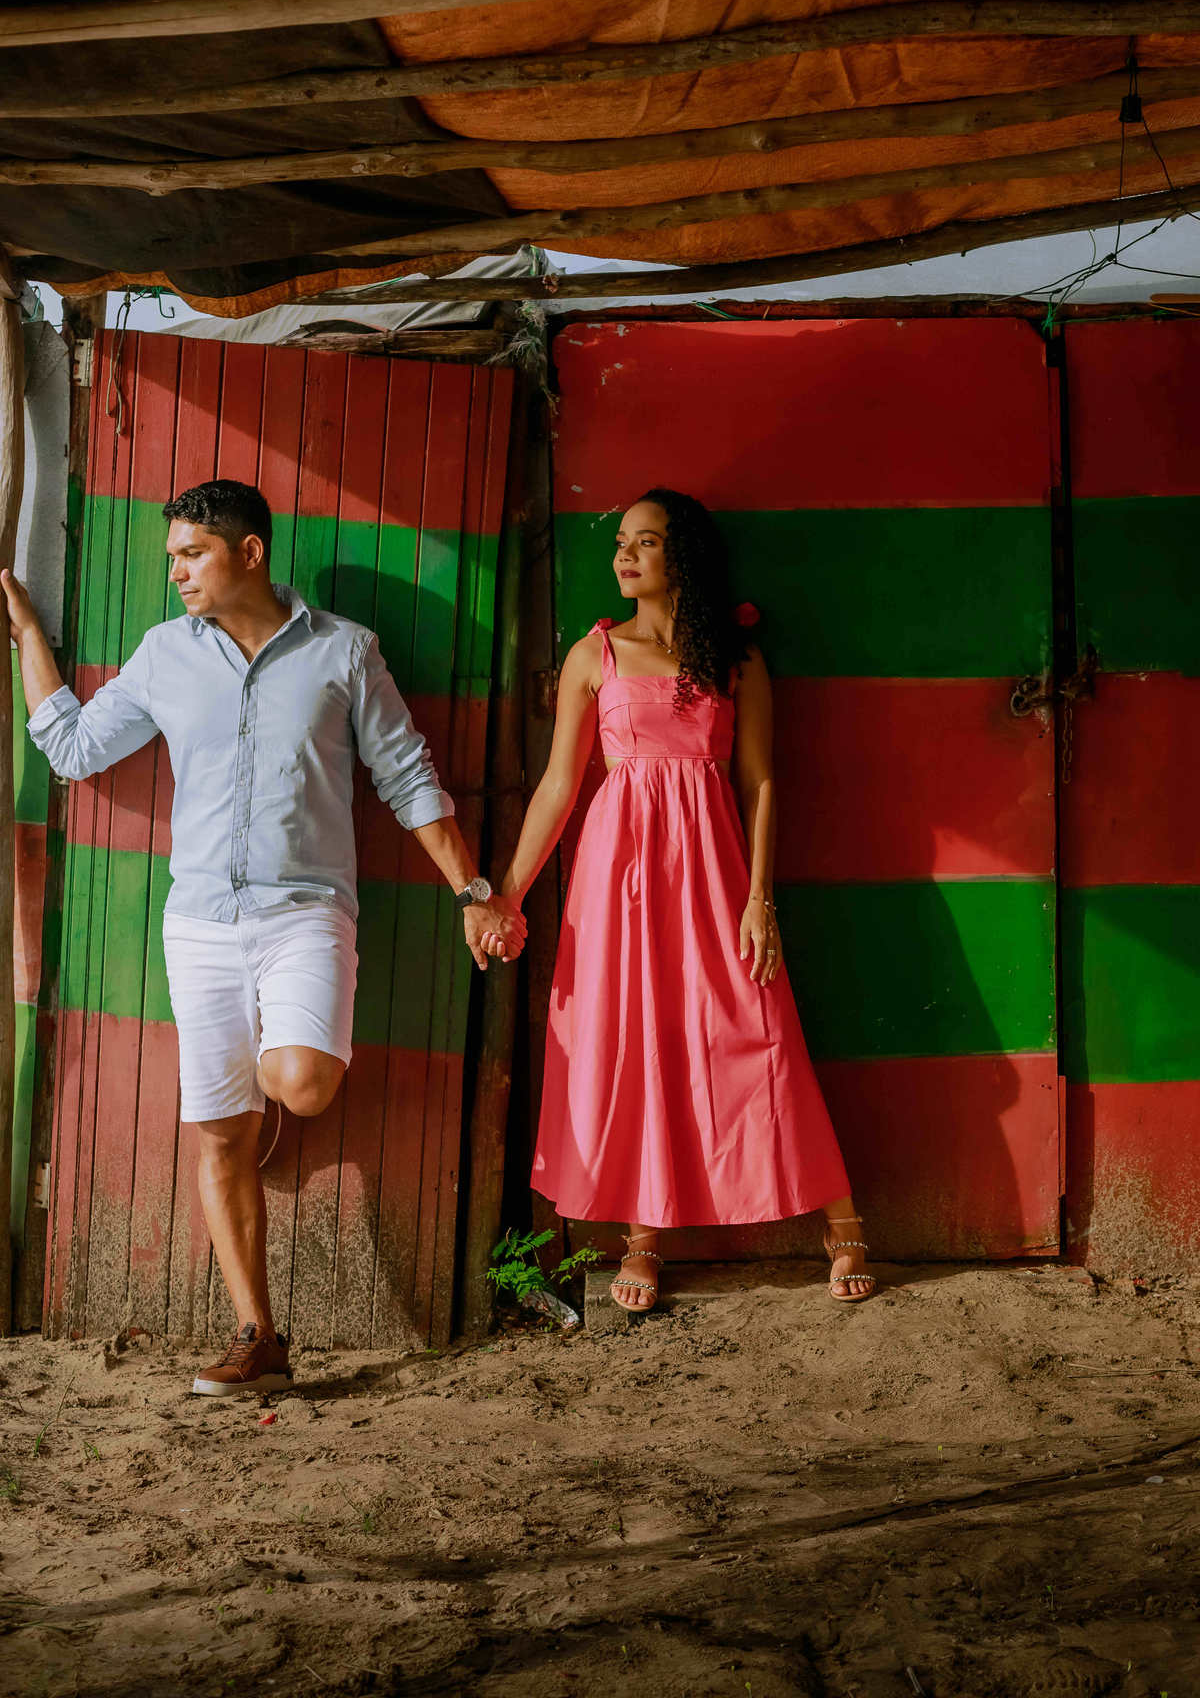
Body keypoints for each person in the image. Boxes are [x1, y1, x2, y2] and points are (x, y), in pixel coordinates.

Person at [3, 478, 525, 1394]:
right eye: (171, 556)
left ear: (249, 553)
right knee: (218, 1137)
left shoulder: (344, 652)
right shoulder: (165, 655)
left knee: (304, 1085)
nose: (175, 572)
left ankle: (267, 1089)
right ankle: (260, 1337)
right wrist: (28, 640)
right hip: (199, 924)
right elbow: (77, 749)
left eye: (191, 554)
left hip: (306, 914)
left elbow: (408, 777)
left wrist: (472, 891)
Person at [481, 488, 874, 1312]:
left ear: (682, 557)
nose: (623, 556)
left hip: (715, 868)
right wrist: (507, 894)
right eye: (621, 541)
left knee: (756, 1029)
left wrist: (760, 897)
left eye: (645, 542)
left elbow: (760, 778)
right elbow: (559, 786)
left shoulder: (736, 657)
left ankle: (840, 1221)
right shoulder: (596, 656)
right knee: (633, 1038)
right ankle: (643, 1237)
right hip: (618, 875)